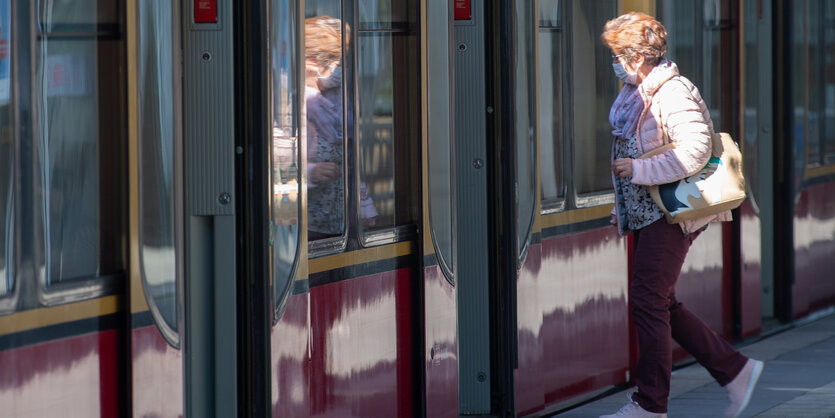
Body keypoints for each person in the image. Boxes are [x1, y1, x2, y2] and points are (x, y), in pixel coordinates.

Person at [599, 12, 763, 418]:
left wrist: (637, 171)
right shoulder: (637, 91)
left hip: (671, 214)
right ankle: (736, 370)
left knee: (647, 300)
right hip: (649, 212)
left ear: (637, 56)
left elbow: (692, 151)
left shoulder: (671, 93)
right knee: (661, 301)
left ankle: (650, 405)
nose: (615, 61)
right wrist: (624, 205)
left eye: (619, 53)